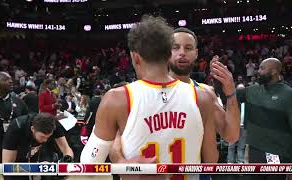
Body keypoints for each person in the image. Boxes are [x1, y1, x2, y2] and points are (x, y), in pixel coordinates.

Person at [80, 15, 218, 179]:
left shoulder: (117, 99)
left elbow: (88, 166)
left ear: (135, 57)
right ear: (168, 55)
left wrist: (123, 165)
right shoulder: (203, 97)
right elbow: (211, 161)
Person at [109, 28, 240, 166]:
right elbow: (116, 143)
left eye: (188, 48)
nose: (182, 53)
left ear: (196, 54)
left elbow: (231, 135)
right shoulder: (141, 92)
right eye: (175, 47)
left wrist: (231, 93)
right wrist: (122, 162)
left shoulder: (205, 94)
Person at [218, 58, 292, 180]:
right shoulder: (252, 90)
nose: (258, 71)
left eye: (262, 68)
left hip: (276, 153)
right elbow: (228, 96)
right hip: (255, 151)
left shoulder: (290, 95)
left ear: (275, 72)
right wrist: (219, 78)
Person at [2, 113, 73, 180]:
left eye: (48, 136)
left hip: (41, 154)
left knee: (51, 175)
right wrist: (36, 167)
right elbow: (7, 165)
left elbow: (66, 149)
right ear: (33, 129)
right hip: (19, 156)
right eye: (42, 136)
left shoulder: (53, 124)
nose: (45, 140)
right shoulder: (16, 127)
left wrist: (66, 160)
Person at [0, 72, 29, 163]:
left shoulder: (19, 102)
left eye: (11, 79)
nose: (11, 81)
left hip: (15, 152)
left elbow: (27, 124)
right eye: (5, 79)